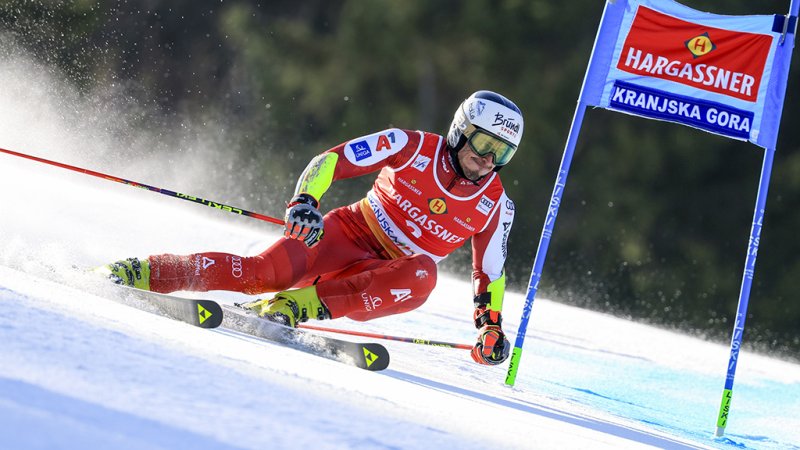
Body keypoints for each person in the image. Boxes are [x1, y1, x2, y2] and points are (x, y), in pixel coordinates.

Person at [101, 90, 522, 366]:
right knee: (260, 274)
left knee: (423, 276)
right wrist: (305, 202)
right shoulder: (409, 145)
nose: (489, 160)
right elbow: (331, 160)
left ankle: (291, 307)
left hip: (384, 277)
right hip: (345, 235)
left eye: (502, 153)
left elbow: (491, 273)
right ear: (460, 131)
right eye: (484, 144)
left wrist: (490, 326)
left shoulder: (496, 206)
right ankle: (142, 270)